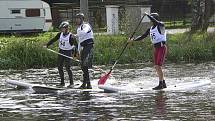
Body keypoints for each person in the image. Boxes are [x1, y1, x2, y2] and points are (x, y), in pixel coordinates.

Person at [128, 12, 167, 90]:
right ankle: (163, 83)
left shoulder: (161, 25)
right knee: (156, 66)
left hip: (162, 47)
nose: (151, 20)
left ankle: (161, 84)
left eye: (151, 19)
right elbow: (143, 36)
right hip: (156, 48)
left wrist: (148, 15)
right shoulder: (150, 29)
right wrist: (133, 40)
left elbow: (155, 21)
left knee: (158, 66)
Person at [44, 21, 76, 88]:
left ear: (66, 28)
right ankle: (62, 83)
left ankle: (71, 83)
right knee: (59, 66)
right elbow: (54, 39)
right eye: (61, 28)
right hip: (61, 51)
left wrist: (74, 55)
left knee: (68, 67)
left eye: (63, 28)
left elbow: (75, 46)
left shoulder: (71, 37)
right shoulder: (60, 34)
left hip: (68, 52)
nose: (62, 29)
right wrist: (47, 45)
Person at [75, 13, 94, 89]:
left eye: (78, 18)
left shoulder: (86, 25)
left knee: (84, 65)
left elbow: (85, 32)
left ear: (82, 19)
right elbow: (80, 41)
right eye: (76, 18)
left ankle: (88, 84)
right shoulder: (78, 28)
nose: (77, 20)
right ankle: (85, 83)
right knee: (83, 66)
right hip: (84, 47)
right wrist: (78, 52)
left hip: (89, 46)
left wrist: (76, 35)